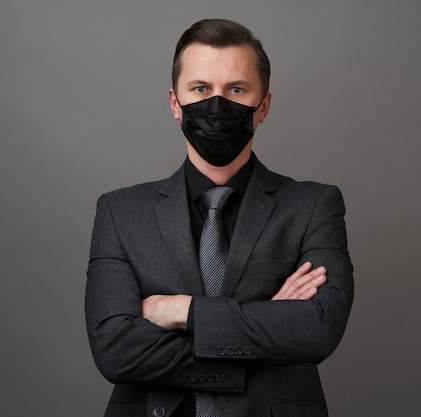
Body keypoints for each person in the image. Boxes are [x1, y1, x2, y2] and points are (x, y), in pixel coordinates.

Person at [85, 18, 354, 417]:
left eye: (236, 89)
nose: (217, 104)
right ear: (175, 104)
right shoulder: (120, 212)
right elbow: (115, 352)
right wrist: (267, 327)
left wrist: (182, 312)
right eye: (200, 88)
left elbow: (316, 329)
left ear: (263, 106)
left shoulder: (313, 205)